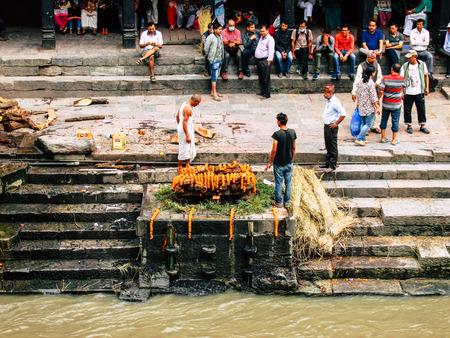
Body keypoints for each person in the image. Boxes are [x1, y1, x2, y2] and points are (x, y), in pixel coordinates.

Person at [264, 113, 297, 208]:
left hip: (279, 163)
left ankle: (278, 202)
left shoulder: (277, 134)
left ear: (279, 122)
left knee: (278, 183)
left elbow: (274, 150)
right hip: (289, 163)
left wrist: (270, 162)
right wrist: (292, 159)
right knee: (288, 183)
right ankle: (287, 202)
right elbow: (293, 148)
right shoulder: (292, 132)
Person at [352, 51, 383, 133]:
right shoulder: (361, 66)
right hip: (363, 92)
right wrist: (354, 92)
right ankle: (363, 129)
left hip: (374, 89)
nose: (374, 60)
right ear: (367, 57)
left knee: (374, 109)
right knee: (362, 110)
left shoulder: (377, 65)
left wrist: (376, 83)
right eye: (372, 58)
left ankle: (373, 126)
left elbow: (380, 77)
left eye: (375, 58)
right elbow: (357, 79)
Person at [400, 50, 430, 134]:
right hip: (408, 91)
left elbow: (426, 76)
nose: (408, 59)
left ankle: (422, 125)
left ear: (414, 57)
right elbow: (402, 79)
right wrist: (402, 91)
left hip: (419, 90)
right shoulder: (405, 66)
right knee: (407, 109)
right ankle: (409, 125)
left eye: (410, 57)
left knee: (421, 108)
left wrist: (427, 88)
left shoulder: (422, 64)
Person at [319, 84, 346, 173]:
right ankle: (328, 162)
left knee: (332, 145)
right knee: (328, 144)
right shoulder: (329, 101)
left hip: (331, 127)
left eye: (325, 93)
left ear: (330, 93)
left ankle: (332, 164)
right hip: (327, 126)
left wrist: (336, 123)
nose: (324, 95)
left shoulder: (335, 102)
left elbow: (343, 113)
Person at [378, 63, 405, 145]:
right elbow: (403, 89)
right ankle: (394, 139)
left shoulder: (385, 79)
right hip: (396, 105)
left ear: (391, 69)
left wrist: (377, 99)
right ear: (399, 71)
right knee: (395, 121)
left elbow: (381, 91)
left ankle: (383, 137)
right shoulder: (402, 79)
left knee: (384, 120)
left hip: (386, 104)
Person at [354, 67, 381, 146]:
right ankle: (359, 138)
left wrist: (358, 103)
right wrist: (377, 107)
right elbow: (373, 96)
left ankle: (363, 139)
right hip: (369, 107)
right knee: (368, 124)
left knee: (363, 122)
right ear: (372, 73)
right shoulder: (371, 83)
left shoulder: (361, 82)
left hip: (362, 106)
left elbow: (358, 93)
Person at [176, 94, 202, 172]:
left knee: (189, 146)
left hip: (185, 128)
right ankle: (179, 165)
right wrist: (187, 135)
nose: (198, 105)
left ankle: (187, 164)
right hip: (185, 129)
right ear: (194, 101)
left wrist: (179, 126)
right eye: (198, 103)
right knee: (184, 147)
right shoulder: (187, 109)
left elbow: (177, 116)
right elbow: (184, 122)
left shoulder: (183, 104)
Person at [204, 21, 224, 100]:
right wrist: (209, 55)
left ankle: (213, 91)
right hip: (214, 59)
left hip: (219, 58)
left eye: (221, 29)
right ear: (215, 30)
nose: (220, 31)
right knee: (214, 77)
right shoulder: (211, 37)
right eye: (219, 29)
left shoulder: (220, 36)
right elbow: (206, 48)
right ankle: (214, 92)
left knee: (216, 75)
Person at [255, 25, 275, 100]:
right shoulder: (261, 37)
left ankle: (267, 94)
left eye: (263, 31)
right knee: (261, 77)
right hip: (259, 60)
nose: (262, 33)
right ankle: (262, 91)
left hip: (265, 60)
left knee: (266, 78)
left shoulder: (270, 39)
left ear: (267, 31)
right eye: (261, 31)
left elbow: (271, 51)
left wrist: (269, 61)